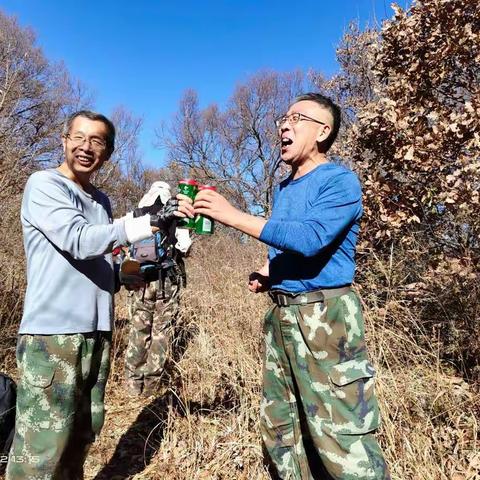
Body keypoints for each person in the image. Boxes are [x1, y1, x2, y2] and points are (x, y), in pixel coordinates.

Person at [194, 93, 390, 479]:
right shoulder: (284, 188)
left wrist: (232, 215)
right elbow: (294, 247)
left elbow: (312, 237)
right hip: (282, 318)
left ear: (323, 131)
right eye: (283, 118)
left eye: (297, 118)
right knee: (284, 430)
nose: (284, 125)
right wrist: (271, 270)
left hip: (326, 318)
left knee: (341, 436)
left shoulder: (339, 180)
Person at [6, 110, 195, 480]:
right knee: (40, 452)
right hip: (52, 336)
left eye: (97, 141)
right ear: (64, 141)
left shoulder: (101, 200)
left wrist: (130, 274)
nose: (86, 147)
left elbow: (99, 263)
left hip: (97, 335)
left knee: (80, 440)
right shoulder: (44, 185)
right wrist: (148, 221)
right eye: (79, 137)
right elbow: (78, 240)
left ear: (107, 153)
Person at [123, 182, 192, 397]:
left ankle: (133, 384)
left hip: (140, 281)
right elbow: (184, 248)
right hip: (167, 282)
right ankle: (151, 386)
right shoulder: (176, 215)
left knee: (139, 329)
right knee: (161, 332)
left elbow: (123, 243)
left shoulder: (135, 214)